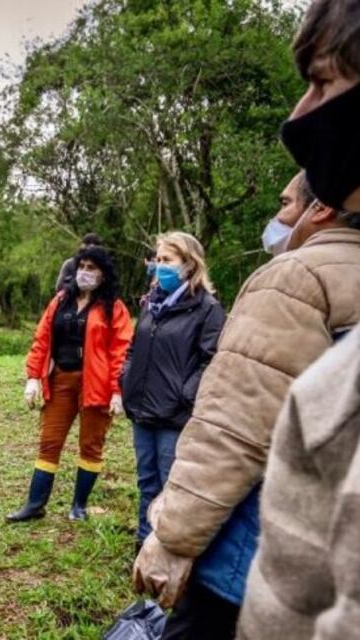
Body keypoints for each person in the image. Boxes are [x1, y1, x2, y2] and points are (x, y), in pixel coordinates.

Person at [132, 169, 360, 635]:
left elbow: (236, 427)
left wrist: (173, 538)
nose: (277, 217)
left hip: (249, 560)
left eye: (284, 203)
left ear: (321, 208)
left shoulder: (297, 279)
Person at [238, 1, 360, 637]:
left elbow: (238, 416)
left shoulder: (296, 277)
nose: (300, 117)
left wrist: (173, 537)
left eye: (324, 82)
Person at [9, 246, 133, 523]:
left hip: (96, 384)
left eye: (92, 268)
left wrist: (117, 390)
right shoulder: (61, 300)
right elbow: (42, 338)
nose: (85, 273)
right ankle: (34, 505)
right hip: (61, 378)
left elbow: (120, 351)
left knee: (90, 445)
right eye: (82, 267)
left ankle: (79, 505)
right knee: (49, 442)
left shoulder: (114, 308)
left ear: (103, 274)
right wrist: (32, 376)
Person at [120, 232, 225, 553]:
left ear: (189, 264)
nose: (158, 266)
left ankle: (166, 549)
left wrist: (185, 393)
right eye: (157, 260)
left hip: (174, 416)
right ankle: (143, 543)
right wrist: (126, 379)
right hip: (141, 408)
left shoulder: (207, 309)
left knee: (170, 485)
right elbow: (134, 350)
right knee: (146, 481)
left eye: (167, 260)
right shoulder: (152, 304)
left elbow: (212, 361)